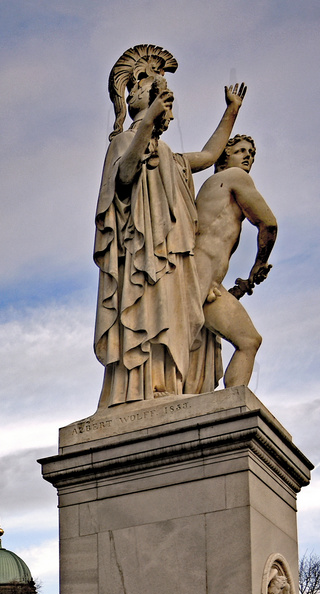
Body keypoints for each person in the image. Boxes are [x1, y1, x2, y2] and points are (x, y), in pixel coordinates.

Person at [94, 44, 246, 407]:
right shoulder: (125, 142)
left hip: (173, 256)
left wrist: (231, 112)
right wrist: (146, 123)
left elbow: (210, 156)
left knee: (172, 318)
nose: (168, 108)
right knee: (145, 315)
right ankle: (139, 390)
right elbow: (125, 176)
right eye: (161, 98)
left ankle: (166, 385)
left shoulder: (171, 157)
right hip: (140, 257)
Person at [192, 134, 277, 389]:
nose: (248, 156)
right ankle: (232, 406)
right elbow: (268, 224)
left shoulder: (212, 189)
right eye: (241, 151)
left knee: (246, 341)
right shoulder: (234, 177)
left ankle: (229, 405)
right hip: (201, 276)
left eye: (251, 153)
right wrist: (260, 263)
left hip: (205, 279)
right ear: (224, 156)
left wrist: (240, 287)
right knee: (248, 341)